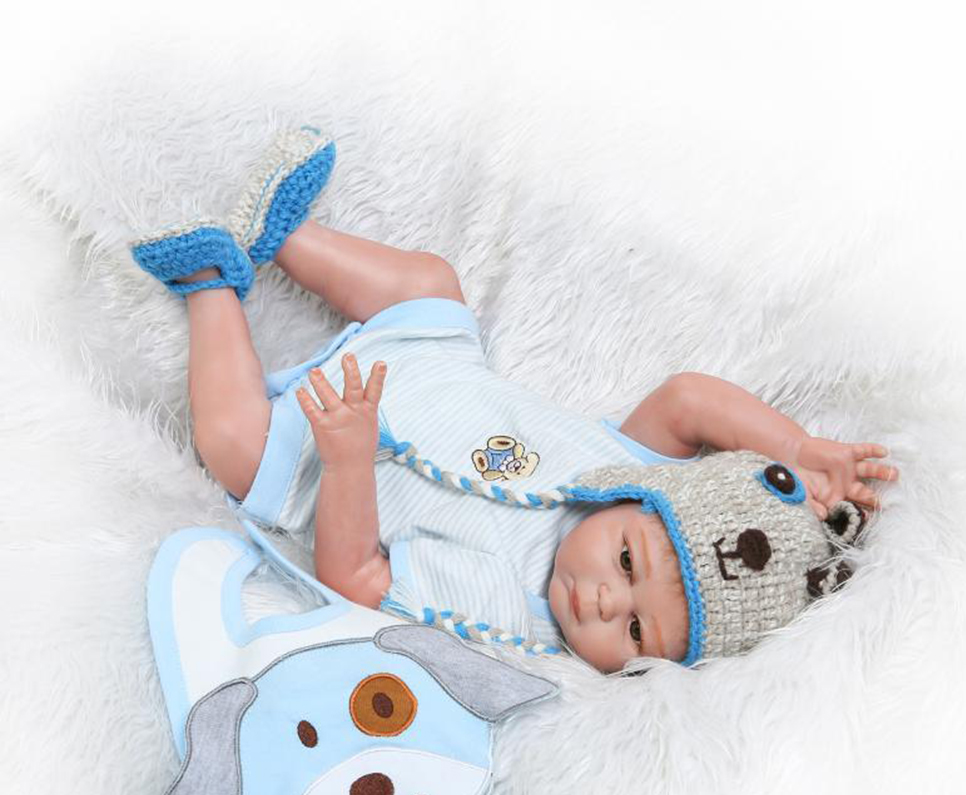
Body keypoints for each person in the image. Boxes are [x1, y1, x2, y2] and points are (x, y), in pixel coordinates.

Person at [130, 126, 899, 674]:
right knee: (430, 285)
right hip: (425, 361)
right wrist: (797, 449)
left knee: (231, 440)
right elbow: (690, 399)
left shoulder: (513, 615)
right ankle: (285, 238)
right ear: (644, 500)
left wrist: (347, 463)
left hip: (315, 464)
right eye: (625, 560)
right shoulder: (626, 467)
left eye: (637, 631)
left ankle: (212, 283)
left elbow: (355, 578)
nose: (605, 602)